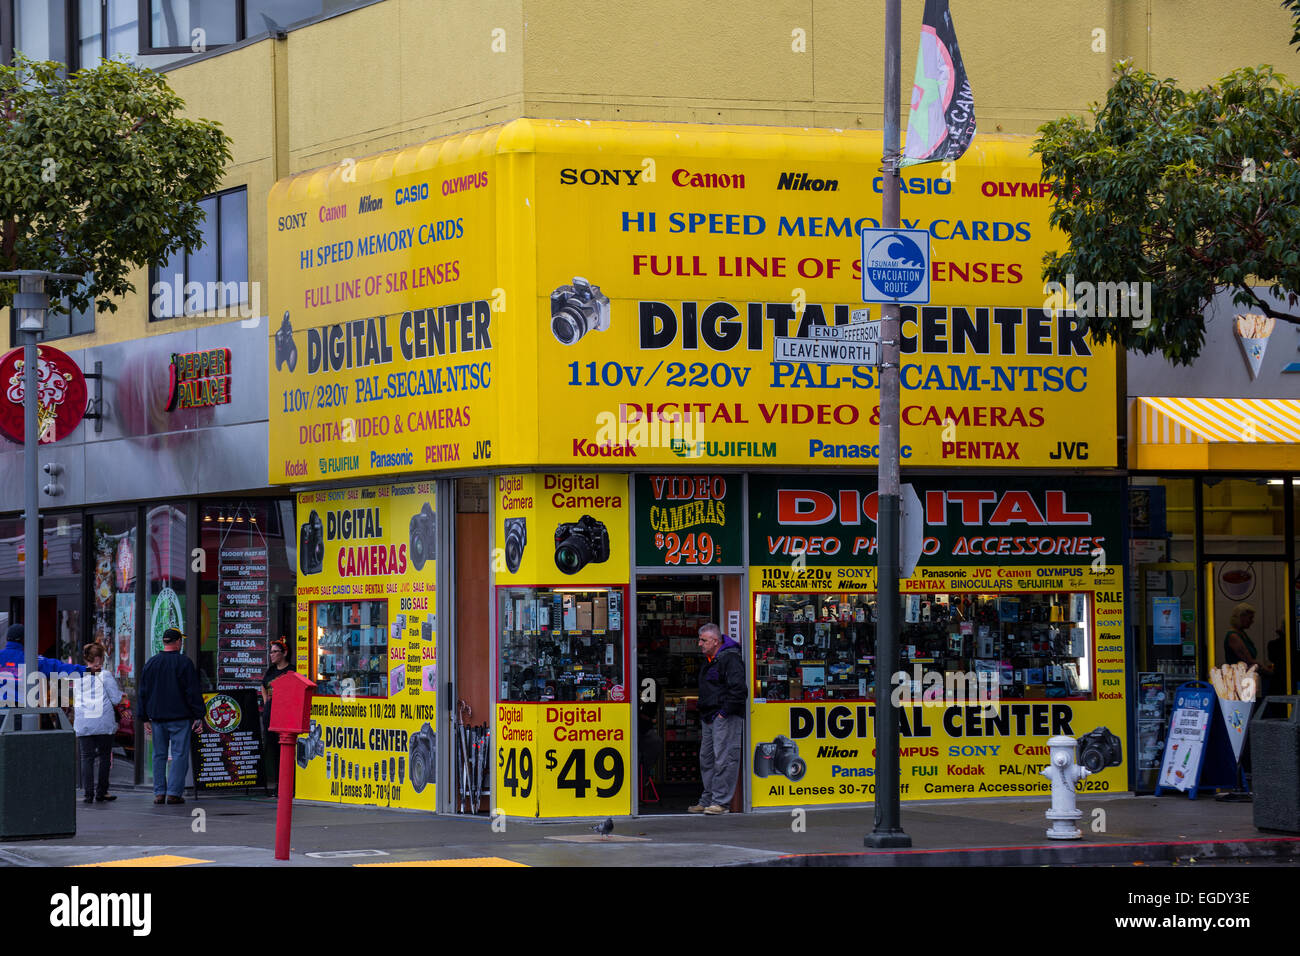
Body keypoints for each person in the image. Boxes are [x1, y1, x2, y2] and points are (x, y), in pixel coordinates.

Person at [138, 628, 204, 805]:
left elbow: (143, 692)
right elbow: (192, 692)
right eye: (180, 641)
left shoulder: (151, 663)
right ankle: (174, 793)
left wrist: (144, 717)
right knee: (179, 755)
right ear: (177, 642)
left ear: (164, 642)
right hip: (179, 717)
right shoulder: (184, 663)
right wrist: (199, 715)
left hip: (157, 719)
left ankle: (159, 793)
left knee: (158, 755)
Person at [690, 622, 746, 815]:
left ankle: (721, 803)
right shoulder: (711, 659)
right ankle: (708, 800)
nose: (699, 644)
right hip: (709, 716)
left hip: (723, 716)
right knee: (707, 759)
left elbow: (739, 690)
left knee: (724, 759)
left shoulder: (730, 659)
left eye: (703, 640)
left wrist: (723, 713)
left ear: (715, 641)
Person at [74, 643, 122, 804]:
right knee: (104, 757)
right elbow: (115, 698)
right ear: (100, 658)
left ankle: (88, 794)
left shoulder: (77, 675)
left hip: (84, 721)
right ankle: (102, 792)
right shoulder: (105, 675)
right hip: (103, 722)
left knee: (86, 758)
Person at [0, 623, 89, 703]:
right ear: (24, 640)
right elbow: (59, 668)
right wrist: (87, 670)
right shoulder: (31, 659)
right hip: (21, 714)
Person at [261, 637, 295, 790]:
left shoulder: (291, 671)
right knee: (272, 748)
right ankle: (276, 783)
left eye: (275, 652)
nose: (272, 655)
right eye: (271, 652)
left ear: (284, 653)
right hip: (270, 713)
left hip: (285, 713)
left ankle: (288, 783)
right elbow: (263, 685)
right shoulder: (270, 671)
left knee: (285, 748)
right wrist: (266, 701)